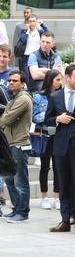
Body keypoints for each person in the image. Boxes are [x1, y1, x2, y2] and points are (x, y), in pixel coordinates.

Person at [45, 64, 75, 236]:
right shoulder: (55, 96)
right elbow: (47, 119)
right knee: (64, 184)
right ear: (67, 77)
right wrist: (57, 118)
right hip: (60, 145)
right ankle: (65, 220)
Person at [0, 71, 33, 223]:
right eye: (10, 80)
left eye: (15, 80)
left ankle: (23, 212)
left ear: (22, 83)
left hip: (19, 145)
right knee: (10, 180)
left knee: (20, 181)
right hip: (9, 144)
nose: (11, 83)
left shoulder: (24, 98)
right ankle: (16, 209)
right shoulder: (14, 98)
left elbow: (7, 118)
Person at [32, 69, 62, 210]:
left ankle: (57, 197)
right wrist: (50, 115)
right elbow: (35, 117)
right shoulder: (38, 97)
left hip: (59, 135)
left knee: (58, 167)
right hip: (44, 134)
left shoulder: (62, 96)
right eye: (57, 79)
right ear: (50, 80)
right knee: (45, 166)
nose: (59, 83)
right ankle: (44, 197)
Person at [0, 44, 14, 119]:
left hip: (7, 114)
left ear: (9, 58)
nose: (1, 59)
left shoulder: (14, 75)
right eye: (0, 56)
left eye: (4, 56)